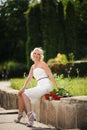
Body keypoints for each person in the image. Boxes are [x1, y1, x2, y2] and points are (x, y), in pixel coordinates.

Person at [15, 47, 59, 127]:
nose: (36, 55)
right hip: (40, 85)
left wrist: (57, 88)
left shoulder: (43, 64)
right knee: (20, 93)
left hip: (46, 85)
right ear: (32, 54)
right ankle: (20, 115)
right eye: (35, 53)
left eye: (38, 54)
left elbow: (51, 76)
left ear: (40, 56)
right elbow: (29, 78)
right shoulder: (32, 66)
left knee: (25, 94)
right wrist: (23, 88)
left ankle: (30, 117)